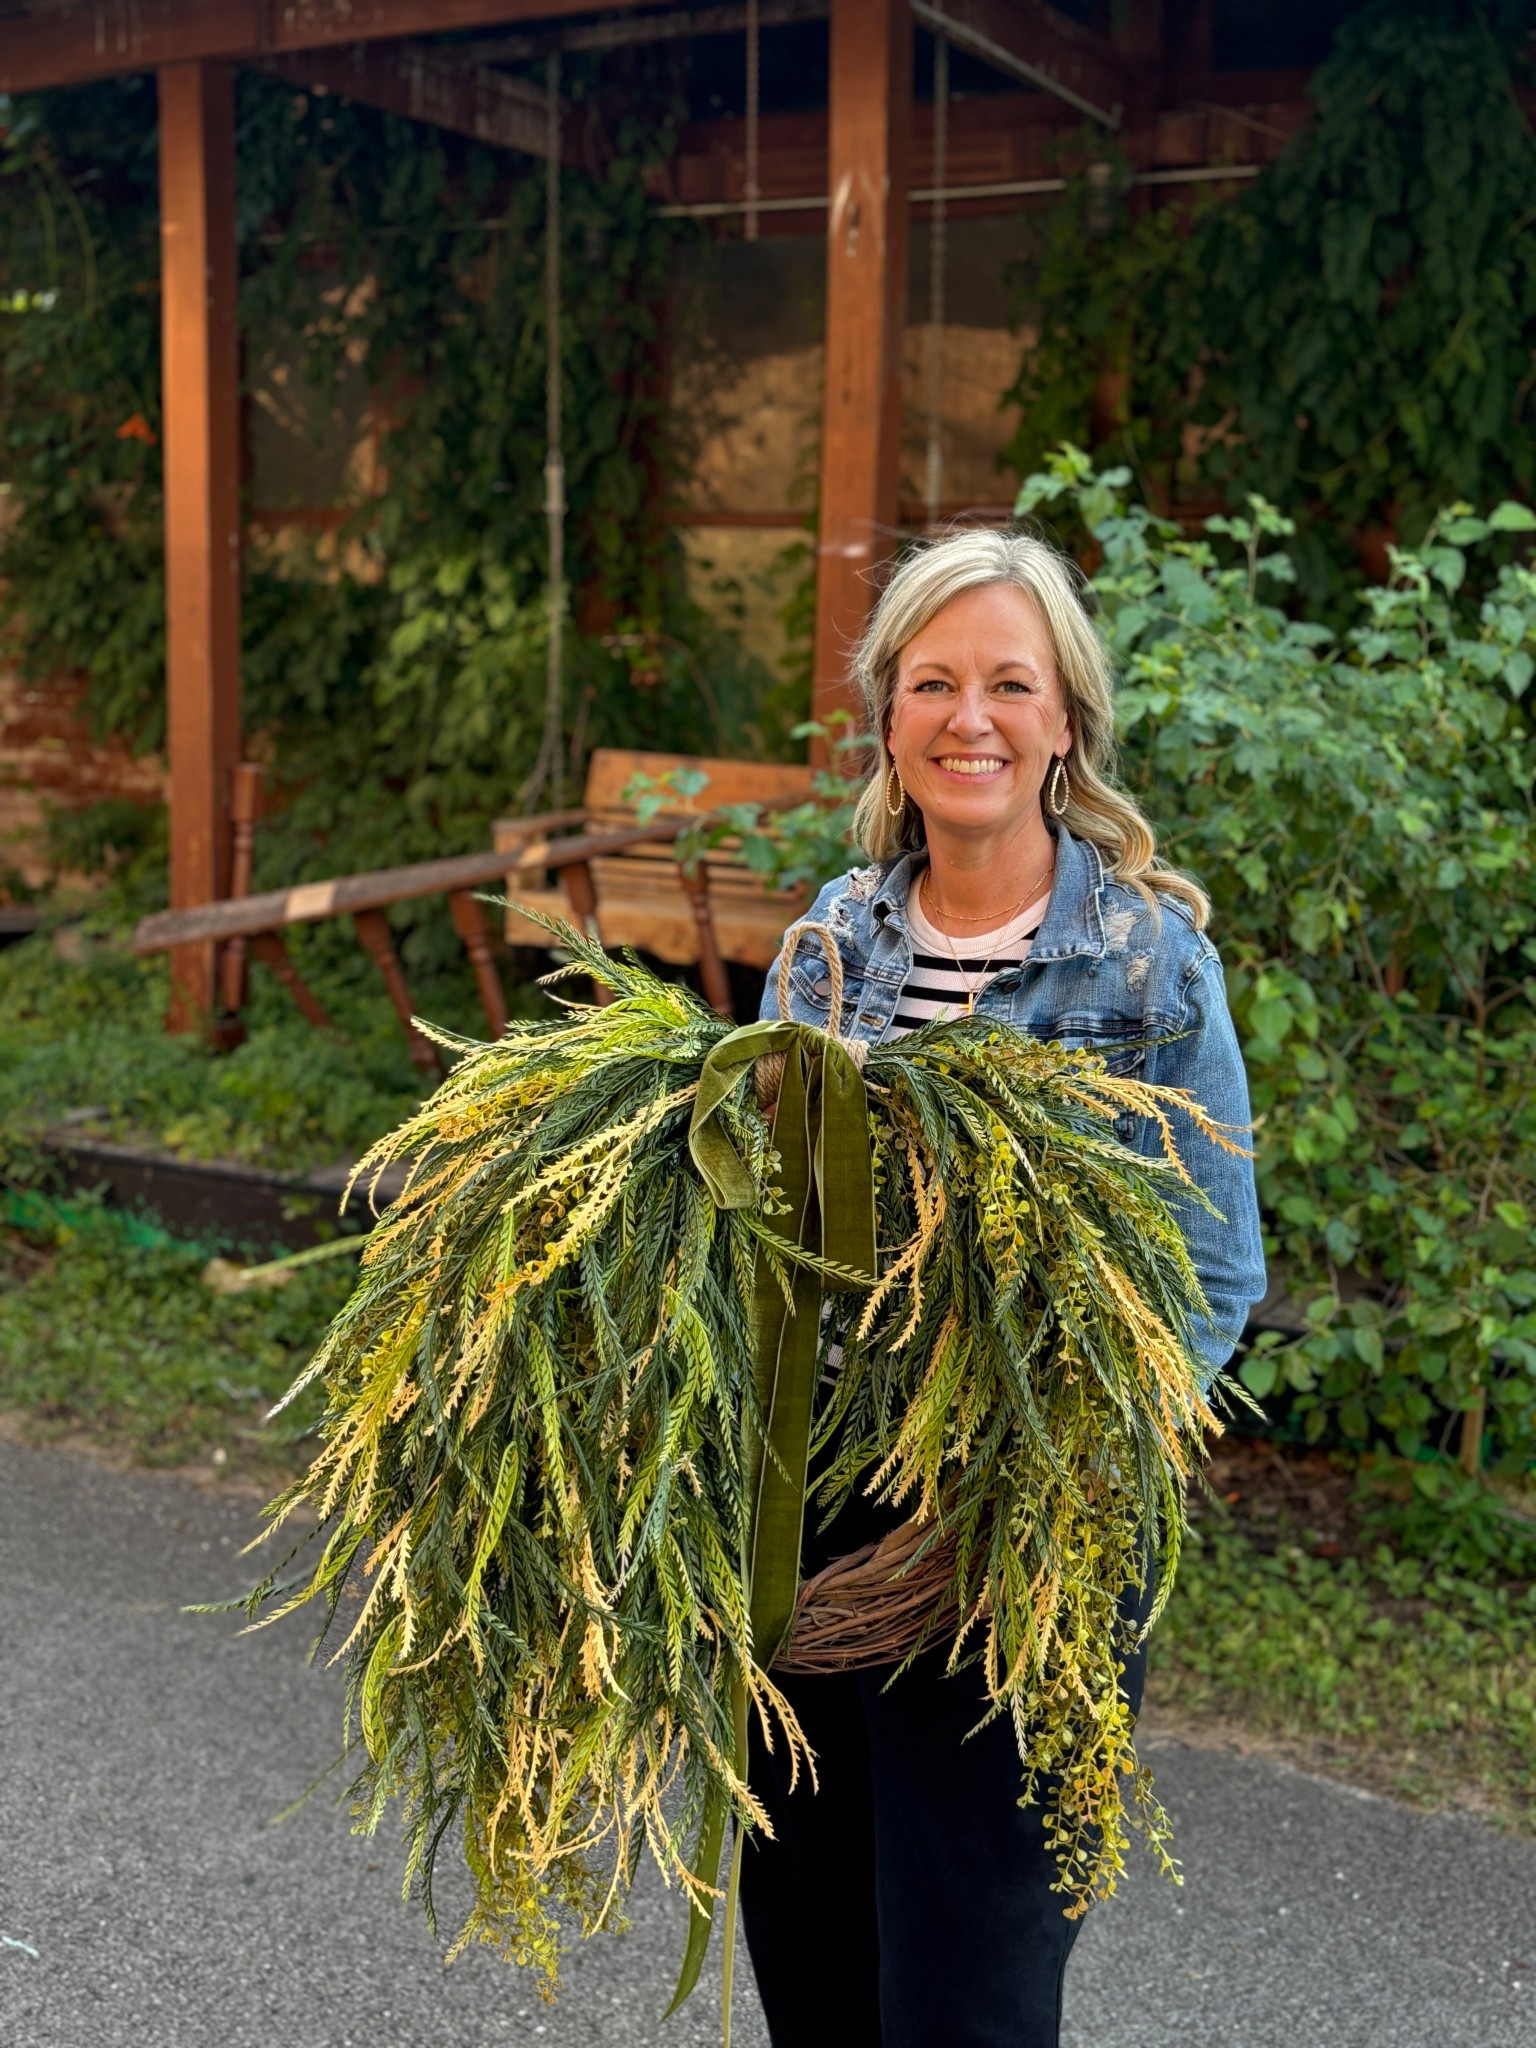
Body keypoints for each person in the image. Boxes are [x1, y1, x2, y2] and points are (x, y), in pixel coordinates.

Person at [739, 528, 1266, 2048]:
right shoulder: (832, 944)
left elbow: (1213, 1271)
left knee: (970, 1981)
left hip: (1026, 1523)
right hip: (822, 1508)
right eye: (933, 683)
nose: (970, 717)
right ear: (889, 718)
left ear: (1064, 723)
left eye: (1010, 684)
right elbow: (766, 1236)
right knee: (816, 1949)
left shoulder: (1150, 962)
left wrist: (1050, 1472)